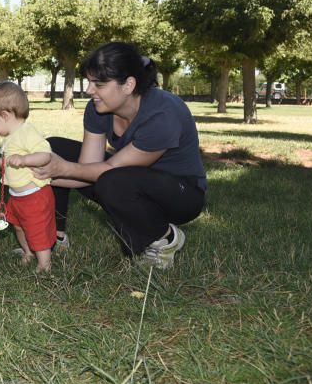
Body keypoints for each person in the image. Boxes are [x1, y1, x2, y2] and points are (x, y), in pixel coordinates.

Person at [32, 42, 206, 269]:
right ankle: (53, 239)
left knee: (112, 181)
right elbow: (87, 169)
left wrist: (60, 169)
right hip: (126, 179)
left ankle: (165, 237)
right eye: (89, 82)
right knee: (53, 150)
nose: (89, 91)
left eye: (99, 84)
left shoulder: (163, 113)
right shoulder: (98, 108)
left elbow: (109, 170)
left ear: (128, 85)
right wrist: (38, 173)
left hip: (182, 194)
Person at [0, 81, 56, 272]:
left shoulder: (27, 132)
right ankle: (28, 252)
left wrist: (24, 159)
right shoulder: (11, 138)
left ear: (5, 115)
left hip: (34, 194)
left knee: (36, 229)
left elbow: (45, 155)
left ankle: (44, 264)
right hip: (17, 196)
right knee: (18, 225)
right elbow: (9, 157)